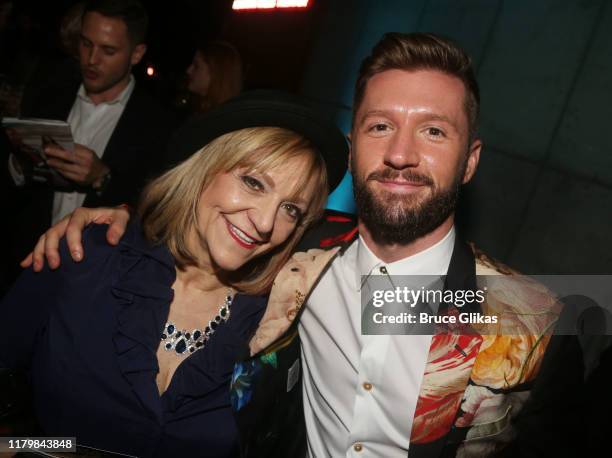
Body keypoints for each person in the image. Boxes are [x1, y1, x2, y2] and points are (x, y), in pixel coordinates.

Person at [21, 33, 583, 457]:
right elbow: (210, 216)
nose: (401, 154)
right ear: (354, 144)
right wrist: (116, 214)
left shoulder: (537, 324)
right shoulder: (295, 252)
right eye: (380, 126)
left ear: (471, 160)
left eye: (434, 131)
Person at [0, 91, 348, 456]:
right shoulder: (87, 255)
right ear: (204, 169)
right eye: (254, 183)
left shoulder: (274, 327)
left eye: (290, 209)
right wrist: (44, 450)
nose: (264, 222)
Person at [2, 0, 174, 291]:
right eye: (85, 44)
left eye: (108, 50)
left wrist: (102, 178)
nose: (91, 59)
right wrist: (20, 164)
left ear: (136, 54)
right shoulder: (49, 92)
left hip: (94, 280)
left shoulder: (157, 123)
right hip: (24, 267)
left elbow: (157, 213)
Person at [177, 40, 243, 117]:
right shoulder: (199, 110)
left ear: (215, 73)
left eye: (196, 66)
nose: (188, 70)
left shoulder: (222, 118)